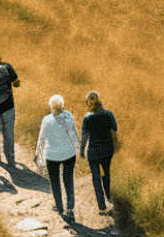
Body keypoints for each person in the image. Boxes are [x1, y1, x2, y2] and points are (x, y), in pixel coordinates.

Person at [35, 94, 81, 223]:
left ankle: (60, 207)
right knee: (68, 182)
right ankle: (70, 209)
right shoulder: (68, 116)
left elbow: (41, 138)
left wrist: (37, 153)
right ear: (62, 105)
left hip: (52, 156)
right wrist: (77, 149)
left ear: (51, 107)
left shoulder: (46, 119)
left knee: (55, 182)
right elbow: (74, 135)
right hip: (68, 155)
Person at [79, 91, 120, 213]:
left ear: (90, 102)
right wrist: (116, 146)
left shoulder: (87, 118)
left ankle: (102, 206)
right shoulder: (108, 114)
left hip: (93, 152)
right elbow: (114, 130)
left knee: (96, 178)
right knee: (106, 175)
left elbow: (84, 136)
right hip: (107, 150)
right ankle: (109, 198)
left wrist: (81, 150)